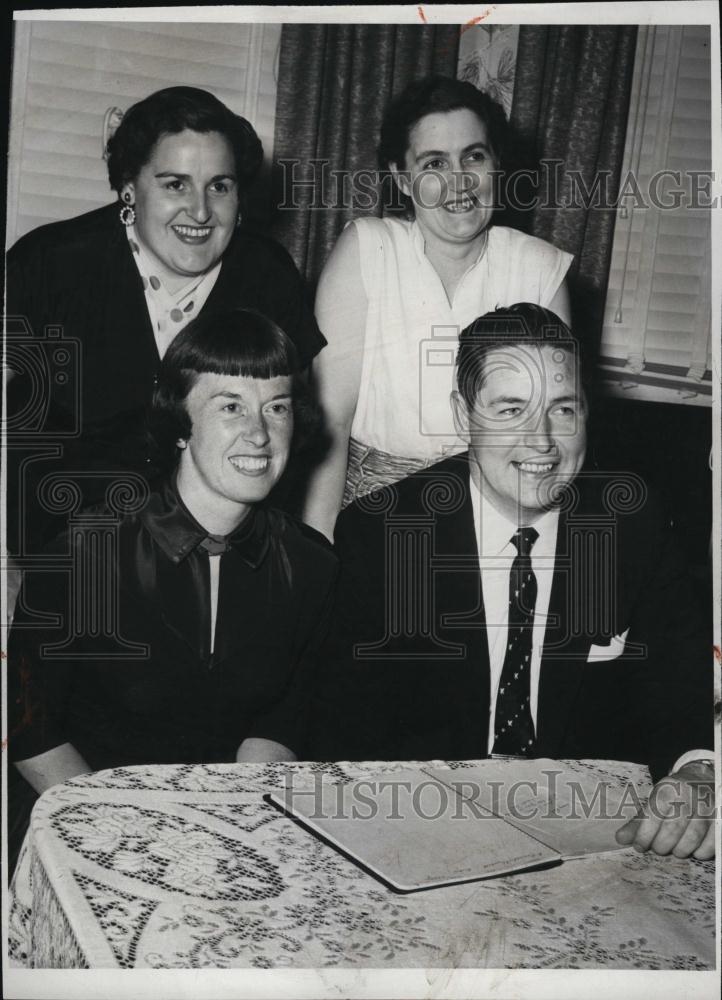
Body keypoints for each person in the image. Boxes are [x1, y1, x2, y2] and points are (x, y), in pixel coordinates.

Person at [311, 303, 715, 859]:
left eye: (563, 409)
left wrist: (697, 771)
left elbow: (678, 682)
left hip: (589, 836)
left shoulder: (631, 524)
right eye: (511, 409)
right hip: (423, 827)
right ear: (462, 416)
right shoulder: (383, 535)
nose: (542, 442)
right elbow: (340, 726)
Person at [6, 308, 338, 874]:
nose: (258, 433)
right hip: (80, 822)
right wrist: (137, 839)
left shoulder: (311, 565)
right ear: (180, 424)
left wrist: (226, 828)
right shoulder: (85, 550)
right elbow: (29, 728)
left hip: (226, 829)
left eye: (276, 407)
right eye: (229, 405)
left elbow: (281, 720)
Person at [6, 85, 324, 556]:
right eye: (175, 184)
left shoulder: (268, 276)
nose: (200, 211)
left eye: (220, 186)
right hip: (56, 551)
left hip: (216, 551)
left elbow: (290, 434)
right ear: (129, 188)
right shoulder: (49, 263)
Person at [303, 76, 573, 540]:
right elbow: (330, 424)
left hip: (499, 518)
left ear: (497, 164)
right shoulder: (368, 249)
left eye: (474, 156)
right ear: (401, 178)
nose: (459, 182)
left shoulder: (540, 268)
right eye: (434, 163)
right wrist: (316, 553)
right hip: (370, 514)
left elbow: (549, 437)